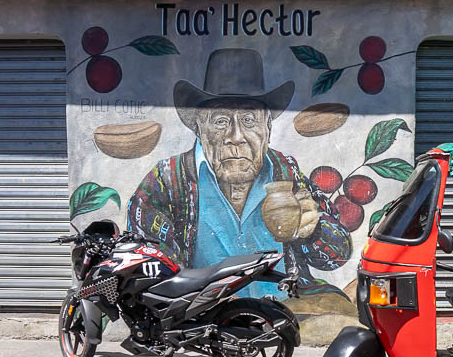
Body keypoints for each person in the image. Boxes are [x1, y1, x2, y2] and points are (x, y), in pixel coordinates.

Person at [126, 48, 351, 298]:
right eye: (221, 121)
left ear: (268, 128)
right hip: (203, 320)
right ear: (199, 128)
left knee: (335, 308)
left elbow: (338, 256)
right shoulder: (167, 181)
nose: (236, 137)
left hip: (281, 314)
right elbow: (148, 268)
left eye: (249, 120)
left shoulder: (286, 171)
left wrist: (314, 228)